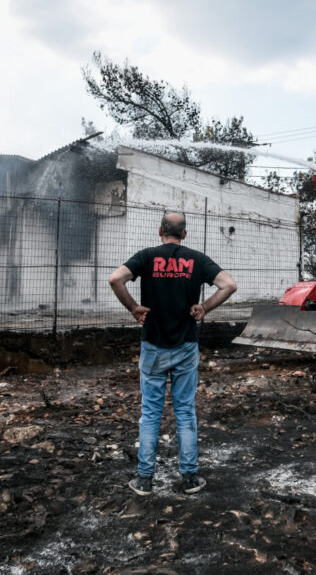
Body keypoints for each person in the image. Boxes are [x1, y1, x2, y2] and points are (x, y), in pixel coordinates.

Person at [109, 211, 237, 495]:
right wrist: (205, 307)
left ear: (160, 231)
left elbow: (115, 279)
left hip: (153, 346)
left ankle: (144, 479)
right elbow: (229, 285)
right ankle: (190, 478)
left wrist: (133, 308)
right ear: (185, 235)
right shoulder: (197, 259)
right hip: (186, 347)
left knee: (151, 414)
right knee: (185, 412)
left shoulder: (147, 256)